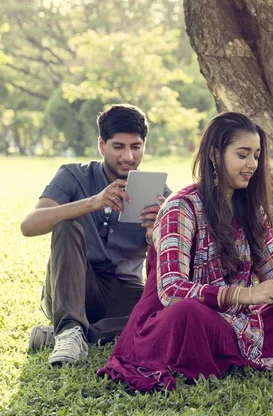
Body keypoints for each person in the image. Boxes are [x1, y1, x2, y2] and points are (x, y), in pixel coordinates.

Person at [97, 112, 273, 392]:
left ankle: (240, 350)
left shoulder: (253, 212)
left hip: (236, 320)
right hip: (177, 320)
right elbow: (170, 290)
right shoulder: (181, 207)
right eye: (243, 155)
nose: (252, 164)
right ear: (215, 155)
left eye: (256, 155)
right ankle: (233, 351)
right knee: (189, 313)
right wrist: (246, 294)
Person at [21, 104, 171, 366]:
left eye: (135, 147)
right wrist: (91, 203)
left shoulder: (160, 195)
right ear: (101, 145)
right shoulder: (73, 176)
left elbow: (176, 264)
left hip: (123, 291)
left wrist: (154, 233)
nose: (128, 156)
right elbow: (29, 226)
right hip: (74, 287)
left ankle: (71, 334)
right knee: (67, 226)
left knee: (169, 312)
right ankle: (69, 330)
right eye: (118, 146)